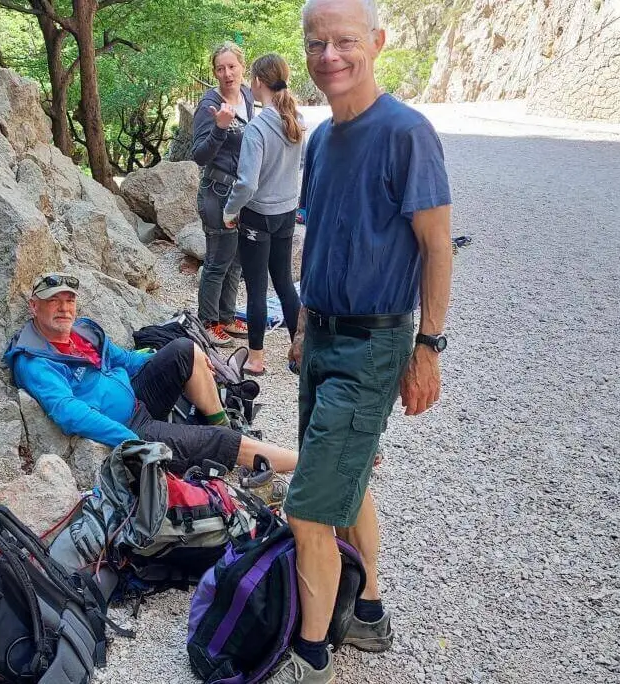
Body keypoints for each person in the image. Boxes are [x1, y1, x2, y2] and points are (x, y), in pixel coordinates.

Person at [275, 0, 454, 682]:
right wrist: (299, 325)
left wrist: (428, 347)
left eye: (344, 41)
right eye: (317, 43)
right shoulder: (320, 139)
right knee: (341, 483)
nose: (330, 56)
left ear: (376, 42)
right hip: (321, 334)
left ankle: (312, 655)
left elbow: (438, 247)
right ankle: (369, 611)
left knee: (307, 509)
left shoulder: (407, 133)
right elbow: (317, 236)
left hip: (374, 343)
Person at [5, 272, 300, 481]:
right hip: (131, 425)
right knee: (220, 441)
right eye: (54, 301)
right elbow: (69, 412)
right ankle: (305, 465)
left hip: (136, 395)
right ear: (34, 306)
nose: (64, 308)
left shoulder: (82, 330)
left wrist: (180, 355)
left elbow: (126, 360)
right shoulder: (35, 361)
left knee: (185, 348)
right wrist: (130, 440)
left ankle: (223, 421)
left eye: (69, 301)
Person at [222, 53, 305, 377]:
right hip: (286, 212)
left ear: (257, 81)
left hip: (258, 215)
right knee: (284, 281)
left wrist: (231, 211)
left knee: (256, 287)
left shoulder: (257, 128)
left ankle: (256, 359)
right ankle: (299, 351)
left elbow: (247, 182)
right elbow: (297, 167)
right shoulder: (295, 119)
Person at [192, 42, 255, 347]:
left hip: (241, 191)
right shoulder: (208, 105)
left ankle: (227, 316)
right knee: (218, 260)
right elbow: (199, 156)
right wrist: (219, 128)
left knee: (237, 259)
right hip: (217, 192)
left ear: (243, 66)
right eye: (220, 68)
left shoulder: (247, 95)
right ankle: (207, 322)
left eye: (232, 66)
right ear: (214, 72)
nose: (227, 73)